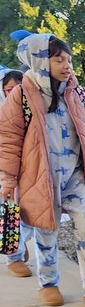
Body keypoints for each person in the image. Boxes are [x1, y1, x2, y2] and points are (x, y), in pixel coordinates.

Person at [0, 33, 85, 307]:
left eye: (68, 60)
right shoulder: (20, 97)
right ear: (40, 61)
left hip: (76, 177)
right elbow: (8, 141)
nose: (67, 66)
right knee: (46, 232)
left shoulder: (78, 93)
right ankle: (49, 283)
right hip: (40, 178)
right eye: (58, 59)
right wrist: (7, 179)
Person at [0, 68, 33, 277]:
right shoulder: (3, 110)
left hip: (30, 168)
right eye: (6, 90)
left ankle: (20, 241)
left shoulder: (34, 109)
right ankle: (13, 257)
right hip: (5, 168)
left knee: (31, 215)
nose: (10, 93)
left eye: (14, 89)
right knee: (8, 210)